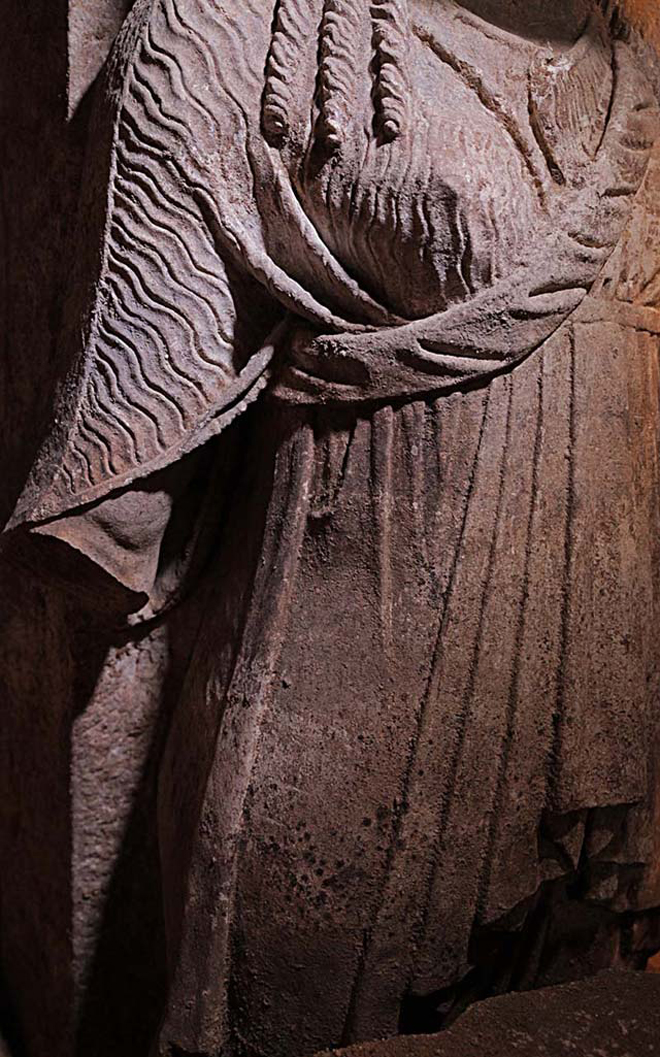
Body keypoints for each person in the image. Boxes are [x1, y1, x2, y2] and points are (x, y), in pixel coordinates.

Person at [6, 2, 660, 1055]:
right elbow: (107, 515)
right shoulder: (242, 36)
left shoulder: (637, 73)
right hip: (356, 745)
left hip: (603, 741)